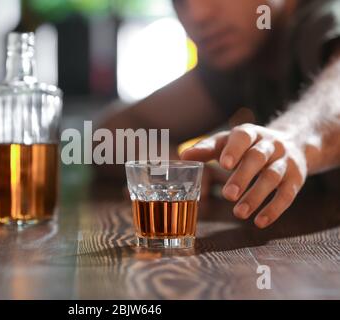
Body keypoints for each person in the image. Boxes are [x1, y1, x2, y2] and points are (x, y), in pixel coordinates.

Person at [99, 0, 340, 228]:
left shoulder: (326, 14)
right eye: (180, 1)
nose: (197, 15)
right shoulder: (243, 63)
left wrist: (291, 138)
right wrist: (161, 159)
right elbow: (108, 133)